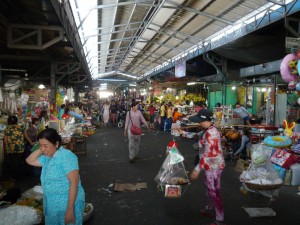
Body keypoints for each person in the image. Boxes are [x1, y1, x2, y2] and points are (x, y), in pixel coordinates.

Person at [26, 128, 85, 225]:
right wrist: (42, 148)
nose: (43, 149)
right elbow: (29, 160)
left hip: (67, 206)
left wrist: (70, 210)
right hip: (52, 206)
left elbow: (74, 182)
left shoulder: (66, 156)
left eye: (45, 146)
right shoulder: (47, 157)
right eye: (40, 146)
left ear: (56, 144)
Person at [189, 109, 226, 225]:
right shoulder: (209, 129)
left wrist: (197, 169)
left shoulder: (211, 133)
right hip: (209, 164)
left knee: (214, 191)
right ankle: (209, 208)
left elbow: (208, 154)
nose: (198, 123)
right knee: (208, 188)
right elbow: (201, 138)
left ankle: (220, 219)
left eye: (200, 121)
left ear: (205, 120)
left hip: (214, 165)